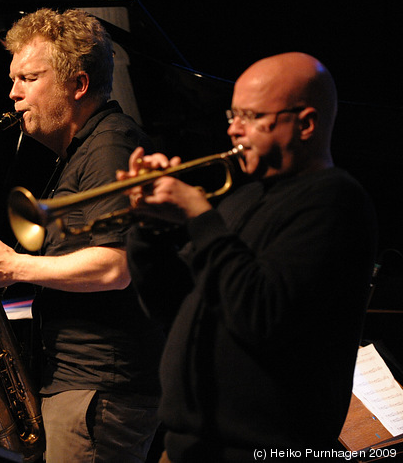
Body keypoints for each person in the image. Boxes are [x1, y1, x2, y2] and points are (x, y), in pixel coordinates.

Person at [122, 52, 378, 462]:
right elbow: (172, 305)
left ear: (306, 123)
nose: (232, 129)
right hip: (186, 445)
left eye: (251, 116)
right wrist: (150, 229)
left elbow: (262, 313)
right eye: (232, 114)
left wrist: (199, 215)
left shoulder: (334, 202)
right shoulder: (243, 198)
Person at [0, 8, 164, 462]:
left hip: (98, 391)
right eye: (13, 80)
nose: (13, 95)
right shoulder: (83, 151)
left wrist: (13, 266)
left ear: (78, 85)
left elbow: (115, 266)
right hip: (82, 386)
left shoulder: (109, 147)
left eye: (28, 78)